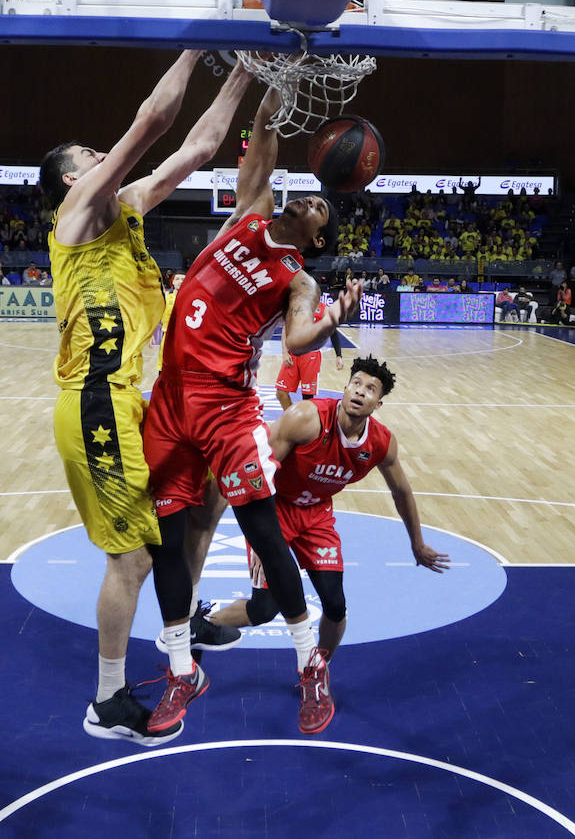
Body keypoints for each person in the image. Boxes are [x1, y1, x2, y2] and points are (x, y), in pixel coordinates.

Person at [40, 50, 253, 746]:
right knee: (129, 558)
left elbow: (195, 147)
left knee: (196, 506)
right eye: (92, 154)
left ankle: (181, 619)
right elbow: (154, 122)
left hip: (132, 399)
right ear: (74, 177)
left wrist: (249, 73)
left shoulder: (126, 210)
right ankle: (106, 702)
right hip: (95, 402)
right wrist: (195, 46)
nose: (107, 157)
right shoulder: (76, 212)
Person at [143, 86, 361, 736]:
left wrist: (333, 318)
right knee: (168, 543)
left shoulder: (300, 275)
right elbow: (263, 133)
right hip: (170, 396)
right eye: (312, 193)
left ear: (317, 237)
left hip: (227, 408)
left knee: (263, 531)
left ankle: (309, 669)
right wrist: (275, 81)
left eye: (321, 206)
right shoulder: (250, 209)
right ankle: (183, 670)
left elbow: (295, 339)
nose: (310, 199)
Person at [209, 357, 449, 661]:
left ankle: (317, 670)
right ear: (345, 387)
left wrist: (417, 543)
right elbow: (256, 472)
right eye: (357, 383)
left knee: (335, 605)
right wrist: (260, 536)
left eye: (371, 389)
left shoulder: (381, 443)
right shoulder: (305, 418)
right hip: (275, 508)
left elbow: (401, 491)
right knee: (264, 610)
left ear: (378, 404)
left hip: (317, 514)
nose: (360, 392)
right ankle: (202, 625)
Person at [275, 301, 343, 411]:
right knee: (281, 393)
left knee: (307, 397)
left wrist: (338, 355)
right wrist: (284, 353)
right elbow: (285, 330)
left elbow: (333, 331)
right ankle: (292, 418)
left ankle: (304, 423)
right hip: (292, 355)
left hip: (311, 356)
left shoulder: (323, 309)